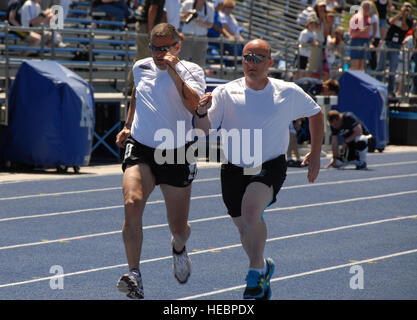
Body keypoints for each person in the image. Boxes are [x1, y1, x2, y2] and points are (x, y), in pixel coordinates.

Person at [193, 39, 324, 300]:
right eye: (246, 57)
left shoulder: (287, 91)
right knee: (244, 229)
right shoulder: (225, 92)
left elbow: (316, 113)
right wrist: (200, 112)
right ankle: (263, 267)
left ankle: (254, 273)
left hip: (269, 165)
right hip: (233, 167)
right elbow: (203, 130)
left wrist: (317, 153)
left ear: (270, 62)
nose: (250, 63)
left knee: (251, 213)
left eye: (257, 58)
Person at [115, 23, 206, 299]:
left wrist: (175, 70)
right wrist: (128, 125)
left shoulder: (193, 70)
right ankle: (135, 275)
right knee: (132, 203)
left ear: (177, 46)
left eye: (166, 47)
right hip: (141, 146)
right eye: (155, 48)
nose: (159, 53)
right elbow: (136, 95)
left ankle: (179, 248)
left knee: (178, 227)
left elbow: (194, 105)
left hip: (177, 150)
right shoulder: (140, 67)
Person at [127, 0, 166, 94]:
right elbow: (153, 9)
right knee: (142, 57)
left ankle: (135, 86)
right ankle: (131, 87)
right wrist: (151, 30)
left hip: (149, 26)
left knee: (146, 57)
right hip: (147, 26)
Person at [376, 2, 413, 96]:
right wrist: (400, 14)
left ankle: (390, 91)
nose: (406, 9)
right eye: (405, 7)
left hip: (396, 46)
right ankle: (376, 86)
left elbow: (404, 28)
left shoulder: (409, 21)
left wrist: (404, 17)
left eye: (409, 8)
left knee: (393, 69)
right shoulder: (396, 15)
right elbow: (391, 21)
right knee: (380, 67)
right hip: (387, 43)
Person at [179, 0, 215, 68]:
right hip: (186, 36)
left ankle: (198, 78)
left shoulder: (210, 7)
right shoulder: (187, 3)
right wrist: (186, 14)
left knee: (199, 63)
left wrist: (200, 22)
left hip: (201, 38)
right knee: (182, 60)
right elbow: (178, 17)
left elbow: (210, 24)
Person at [349, 0, 372, 70]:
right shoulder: (356, 18)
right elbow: (352, 34)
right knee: (355, 67)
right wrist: (362, 31)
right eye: (365, 7)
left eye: (368, 7)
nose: (367, 9)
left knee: (362, 68)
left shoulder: (369, 19)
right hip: (357, 42)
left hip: (366, 42)